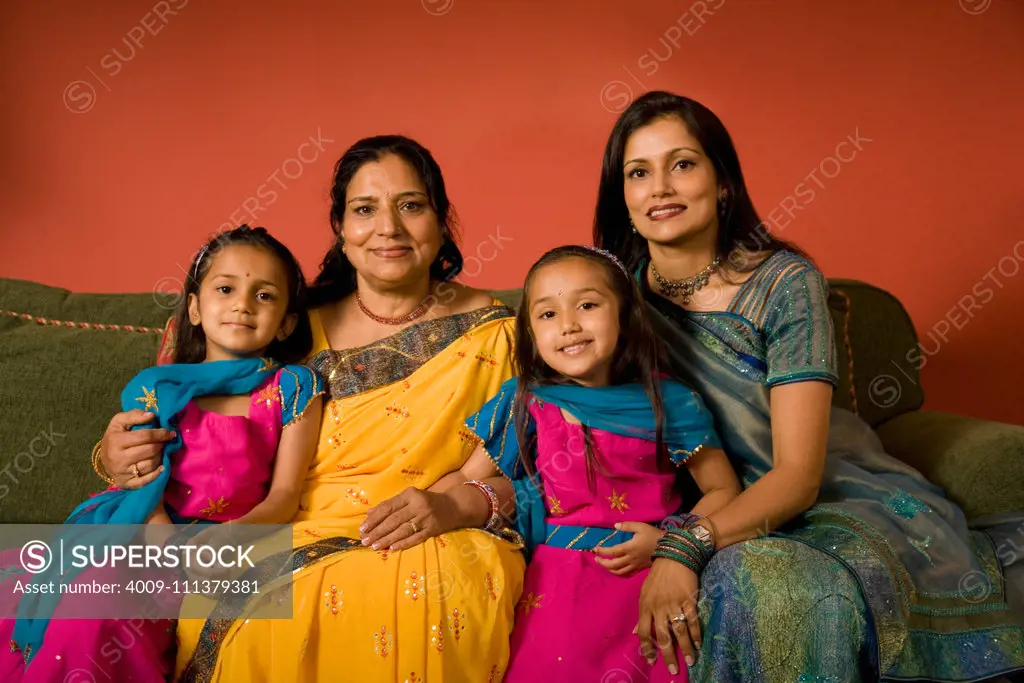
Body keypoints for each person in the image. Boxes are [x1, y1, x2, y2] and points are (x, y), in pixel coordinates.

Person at [594, 90, 1024, 682]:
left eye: (683, 164)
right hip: (688, 499)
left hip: (817, 497)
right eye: (638, 172)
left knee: (778, 589)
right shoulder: (609, 299)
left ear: (723, 183)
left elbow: (797, 476)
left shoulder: (783, 284)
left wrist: (685, 546)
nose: (660, 187)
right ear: (623, 195)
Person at [98, 135, 526, 682]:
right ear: (342, 232)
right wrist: (120, 455)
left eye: (411, 206)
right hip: (281, 533)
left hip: (436, 530)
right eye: (365, 209)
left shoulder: (502, 336)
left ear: (442, 222)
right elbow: (181, 417)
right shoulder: (282, 324)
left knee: (436, 590)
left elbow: (539, 479)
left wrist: (454, 508)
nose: (389, 228)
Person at [0, 225, 322, 682]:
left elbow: (285, 492)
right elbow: (144, 476)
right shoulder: (159, 388)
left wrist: (229, 541)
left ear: (288, 321)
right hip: (145, 529)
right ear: (193, 307)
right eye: (226, 288)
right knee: (88, 601)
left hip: (233, 537)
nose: (243, 304)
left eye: (265, 296)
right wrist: (166, 548)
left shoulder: (292, 388)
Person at [425, 244, 742, 682]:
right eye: (548, 315)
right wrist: (414, 514)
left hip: (647, 574)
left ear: (625, 315)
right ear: (531, 333)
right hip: (554, 583)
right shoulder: (527, 400)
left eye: (587, 305)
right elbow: (465, 477)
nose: (569, 325)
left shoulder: (670, 401)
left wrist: (674, 547)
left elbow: (724, 490)